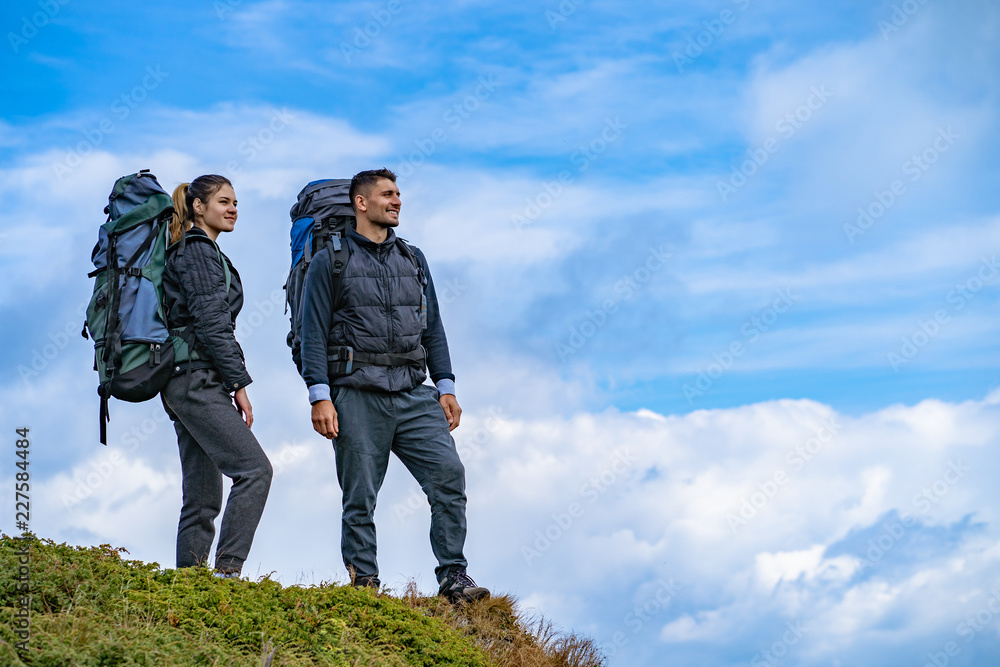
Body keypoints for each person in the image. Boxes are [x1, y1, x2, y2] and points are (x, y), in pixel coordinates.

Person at [300, 168, 489, 602]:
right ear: (361, 203)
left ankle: (454, 577)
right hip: (355, 395)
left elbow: (433, 327)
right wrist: (320, 395)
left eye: (399, 193)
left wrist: (446, 386)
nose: (397, 200)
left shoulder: (413, 258)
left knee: (448, 475)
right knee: (360, 497)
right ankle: (365, 587)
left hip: (413, 392)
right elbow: (313, 332)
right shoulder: (331, 260)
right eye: (387, 194)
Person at [160, 174, 272, 578]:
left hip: (184, 379)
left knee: (203, 497)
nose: (232, 209)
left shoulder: (189, 251)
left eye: (236, 203)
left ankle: (189, 587)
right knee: (255, 470)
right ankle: (227, 574)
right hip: (196, 379)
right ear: (197, 207)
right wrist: (239, 384)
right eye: (223, 201)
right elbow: (212, 325)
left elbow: (211, 323)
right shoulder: (197, 252)